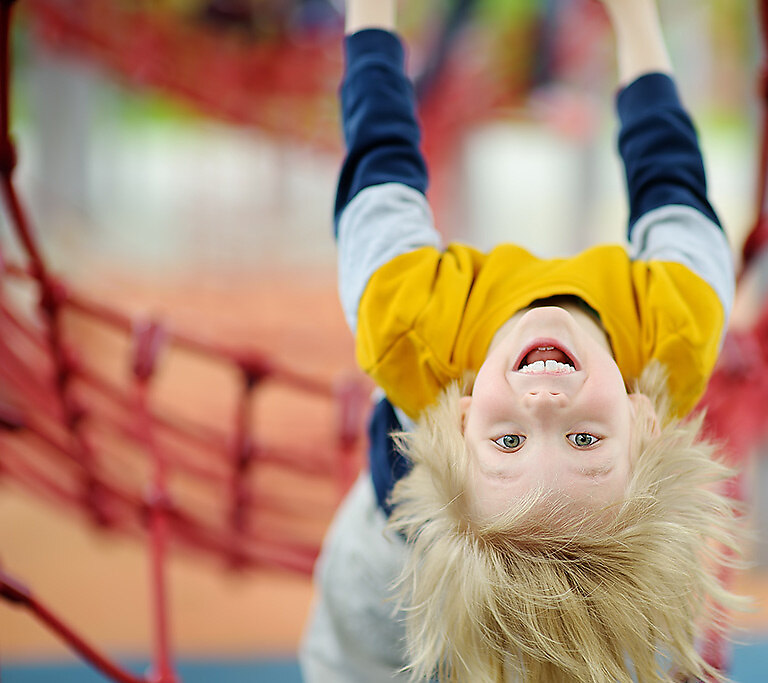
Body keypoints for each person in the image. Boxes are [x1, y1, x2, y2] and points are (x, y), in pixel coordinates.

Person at [300, 0, 742, 680]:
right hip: (441, 559)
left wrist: (372, 16)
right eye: (585, 440)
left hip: (392, 557)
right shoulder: (680, 318)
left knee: (358, 656)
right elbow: (669, 173)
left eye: (508, 442)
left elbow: (378, 152)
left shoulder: (406, 321)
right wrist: (636, 22)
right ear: (646, 422)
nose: (542, 405)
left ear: (464, 413)